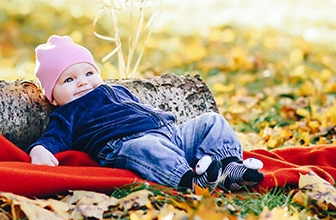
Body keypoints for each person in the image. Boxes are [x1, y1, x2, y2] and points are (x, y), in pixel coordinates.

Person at [27, 35, 264, 193]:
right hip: (127, 144)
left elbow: (140, 110)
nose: (82, 83)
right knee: (148, 147)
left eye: (88, 73)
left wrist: (164, 122)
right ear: (53, 97)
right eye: (69, 79)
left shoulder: (116, 90)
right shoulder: (68, 111)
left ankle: (231, 167)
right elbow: (53, 138)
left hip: (169, 133)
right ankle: (190, 181)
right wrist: (39, 150)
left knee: (211, 121)